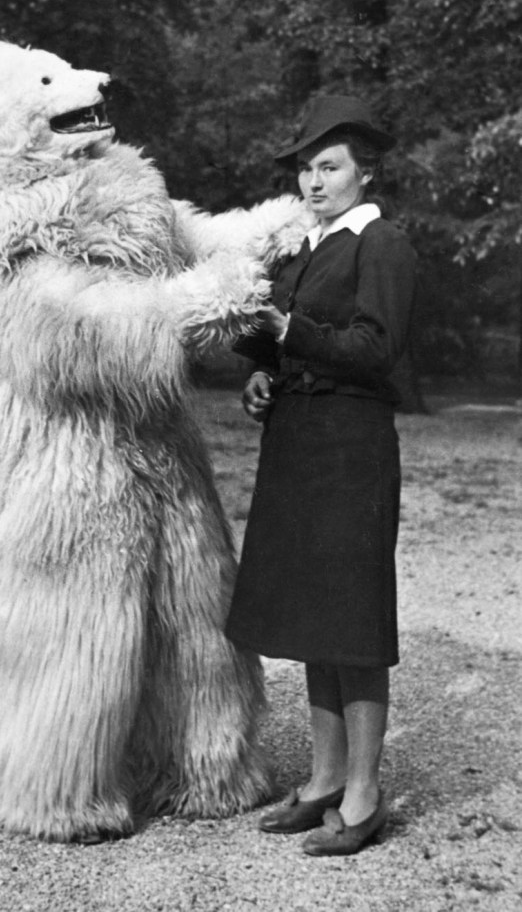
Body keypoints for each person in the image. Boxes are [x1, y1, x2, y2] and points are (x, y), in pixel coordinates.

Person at [225, 95, 417, 857]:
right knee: (313, 614)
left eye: (329, 166)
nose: (313, 180)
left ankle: (365, 795)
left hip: (351, 445)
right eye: (305, 168)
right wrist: (264, 373)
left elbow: (375, 348)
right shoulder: (306, 250)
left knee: (354, 618)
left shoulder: (384, 243)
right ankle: (324, 779)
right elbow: (297, 346)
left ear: (364, 171)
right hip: (298, 441)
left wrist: (289, 331)